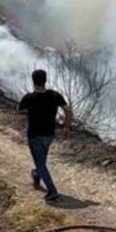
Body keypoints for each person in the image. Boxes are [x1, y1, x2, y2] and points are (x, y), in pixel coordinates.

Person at [18, 69, 72, 202]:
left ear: (33, 81)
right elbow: (67, 109)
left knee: (40, 162)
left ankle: (52, 191)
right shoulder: (54, 95)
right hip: (49, 134)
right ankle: (36, 175)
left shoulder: (29, 98)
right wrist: (67, 125)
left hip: (34, 135)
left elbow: (19, 109)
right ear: (45, 80)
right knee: (41, 160)